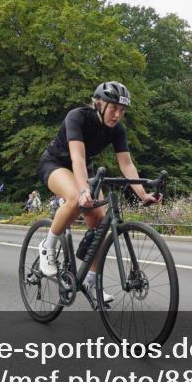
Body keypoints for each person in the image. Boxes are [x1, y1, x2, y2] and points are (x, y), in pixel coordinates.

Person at [36, 82, 161, 303]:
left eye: (122, 111)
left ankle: (90, 282)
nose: (117, 115)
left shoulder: (117, 130)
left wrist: (142, 194)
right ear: (98, 103)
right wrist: (84, 189)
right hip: (56, 164)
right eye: (113, 108)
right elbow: (78, 158)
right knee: (76, 199)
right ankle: (48, 247)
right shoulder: (77, 116)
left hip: (86, 170)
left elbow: (127, 164)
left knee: (100, 223)